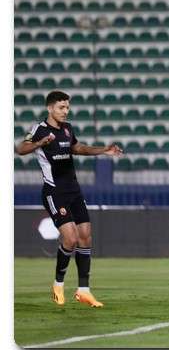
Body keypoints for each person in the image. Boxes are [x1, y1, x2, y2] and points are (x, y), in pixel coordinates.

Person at [16, 91, 123, 307]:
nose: (66, 111)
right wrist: (40, 143)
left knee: (85, 236)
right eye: (61, 107)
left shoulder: (67, 128)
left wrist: (103, 150)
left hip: (74, 191)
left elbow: (77, 148)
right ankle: (58, 284)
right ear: (50, 108)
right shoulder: (40, 130)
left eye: (67, 107)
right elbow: (21, 149)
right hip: (54, 192)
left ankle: (84, 290)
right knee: (71, 239)